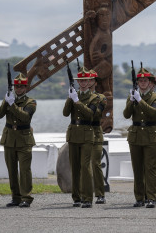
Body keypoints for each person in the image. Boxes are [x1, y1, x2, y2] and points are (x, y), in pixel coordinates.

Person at [123, 67, 156, 208]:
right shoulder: (133, 96)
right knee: (137, 168)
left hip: (151, 134)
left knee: (151, 168)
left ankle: (152, 197)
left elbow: (154, 113)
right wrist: (132, 101)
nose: (142, 83)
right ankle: (139, 197)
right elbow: (126, 114)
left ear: (149, 82)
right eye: (140, 80)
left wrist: (140, 100)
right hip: (136, 135)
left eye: (145, 80)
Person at [63, 66, 104, 208]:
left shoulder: (95, 98)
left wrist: (77, 101)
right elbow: (65, 113)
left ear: (90, 82)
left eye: (86, 80)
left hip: (87, 134)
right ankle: (76, 197)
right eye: (81, 80)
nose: (83, 83)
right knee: (74, 167)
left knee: (85, 167)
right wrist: (70, 98)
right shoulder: (74, 94)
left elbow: (90, 114)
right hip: (74, 133)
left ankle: (87, 198)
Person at [0, 72, 37, 207]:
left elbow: (25, 117)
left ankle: (26, 197)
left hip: (24, 139)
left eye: (21, 87)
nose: (18, 89)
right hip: (9, 139)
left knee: (25, 170)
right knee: (12, 170)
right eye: (17, 87)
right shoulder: (9, 99)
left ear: (26, 88)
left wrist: (12, 104)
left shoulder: (31, 102)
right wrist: (5, 101)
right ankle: (16, 197)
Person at [89, 70, 107, 204]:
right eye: (85, 80)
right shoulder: (76, 96)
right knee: (81, 165)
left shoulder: (101, 98)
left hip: (95, 132)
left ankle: (100, 194)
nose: (88, 83)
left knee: (95, 163)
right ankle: (84, 194)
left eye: (91, 80)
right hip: (80, 133)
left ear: (95, 82)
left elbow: (96, 114)